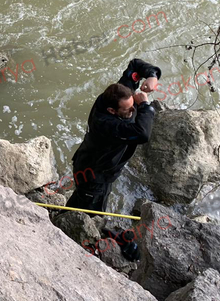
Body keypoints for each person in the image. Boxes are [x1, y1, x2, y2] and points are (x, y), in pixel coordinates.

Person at [67, 58, 162, 212]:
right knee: (90, 210)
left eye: (134, 105)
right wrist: (145, 106)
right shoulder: (106, 124)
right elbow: (143, 134)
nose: (133, 110)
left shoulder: (119, 94)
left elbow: (135, 65)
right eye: (128, 109)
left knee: (81, 199)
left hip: (89, 161)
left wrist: (152, 76)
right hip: (94, 175)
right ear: (112, 111)